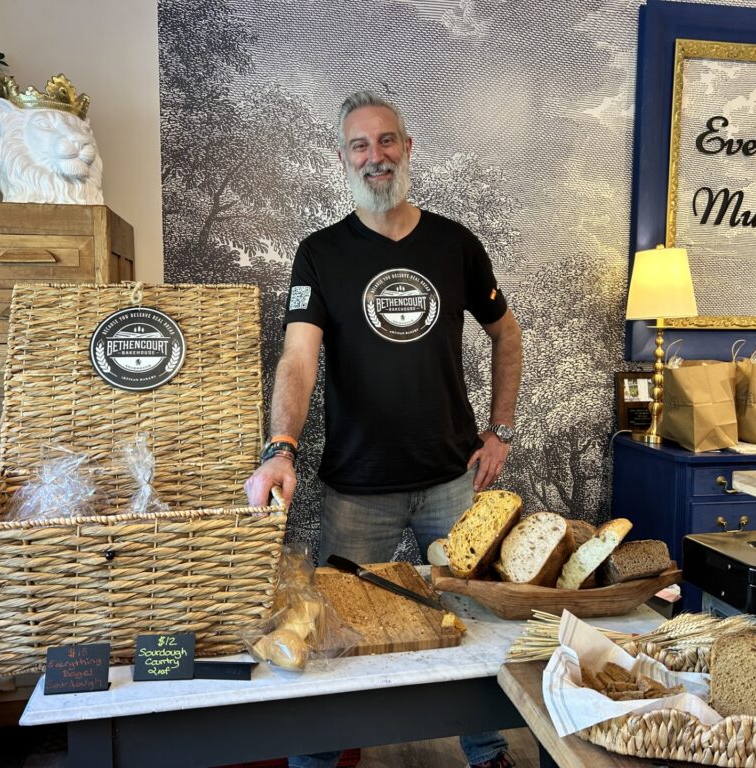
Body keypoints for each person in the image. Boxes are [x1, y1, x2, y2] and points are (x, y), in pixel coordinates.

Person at [245, 90, 523, 768]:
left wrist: (501, 430)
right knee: (333, 637)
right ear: (342, 158)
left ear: (408, 148)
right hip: (355, 492)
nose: (377, 156)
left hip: (452, 485)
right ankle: (319, 761)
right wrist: (280, 446)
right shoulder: (320, 254)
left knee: (476, 632)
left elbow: (507, 334)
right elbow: (299, 359)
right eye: (361, 145)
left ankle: (486, 752)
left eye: (387, 141)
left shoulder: (455, 244)